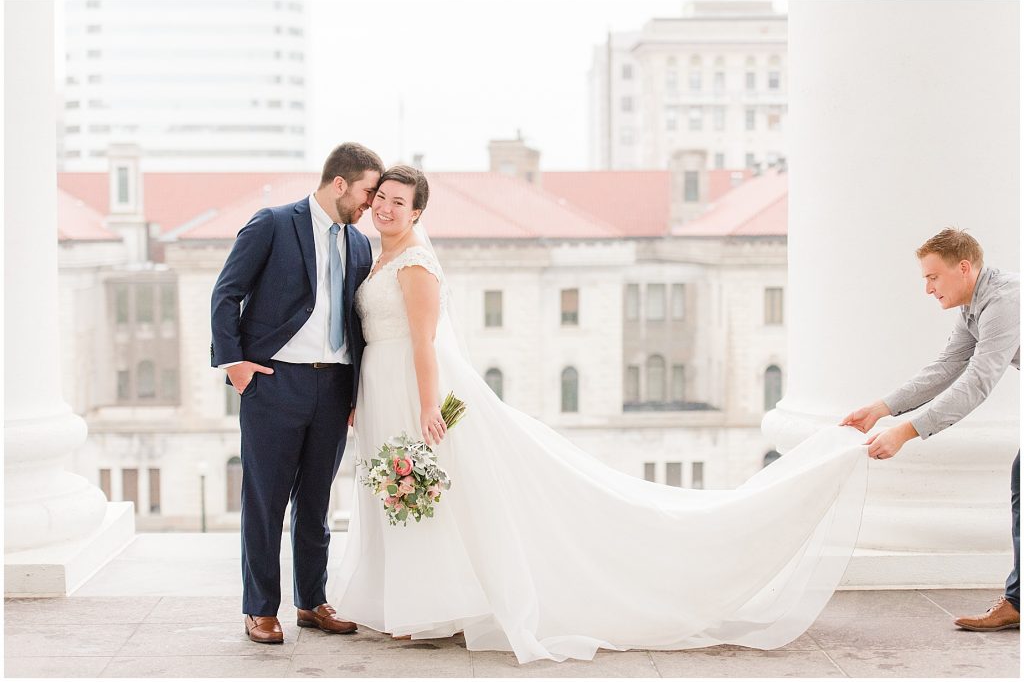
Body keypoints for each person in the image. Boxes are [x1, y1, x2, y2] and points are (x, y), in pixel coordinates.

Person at [333, 166, 872, 664]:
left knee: (432, 495)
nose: (385, 207)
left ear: (418, 213)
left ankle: (431, 609)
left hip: (414, 389)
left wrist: (429, 407)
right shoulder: (377, 257)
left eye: (398, 202)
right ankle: (410, 602)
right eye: (380, 197)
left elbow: (425, 344)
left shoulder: (415, 263)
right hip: (382, 387)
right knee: (403, 495)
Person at [210, 143, 384, 644]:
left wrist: (354, 390)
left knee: (315, 503)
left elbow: (352, 317)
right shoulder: (272, 223)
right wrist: (235, 364)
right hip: (273, 381)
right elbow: (227, 292)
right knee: (264, 501)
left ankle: (312, 600)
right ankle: (260, 609)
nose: (371, 204)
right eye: (368, 192)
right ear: (340, 184)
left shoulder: (359, 244)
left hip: (333, 386)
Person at [842, 227, 1019, 632]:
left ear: (963, 267)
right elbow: (945, 368)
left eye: (933, 277)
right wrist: (881, 408)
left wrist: (905, 432)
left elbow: (977, 383)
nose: (927, 288)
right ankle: (1019, 602)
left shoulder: (1006, 300)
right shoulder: (973, 306)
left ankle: (1018, 602)